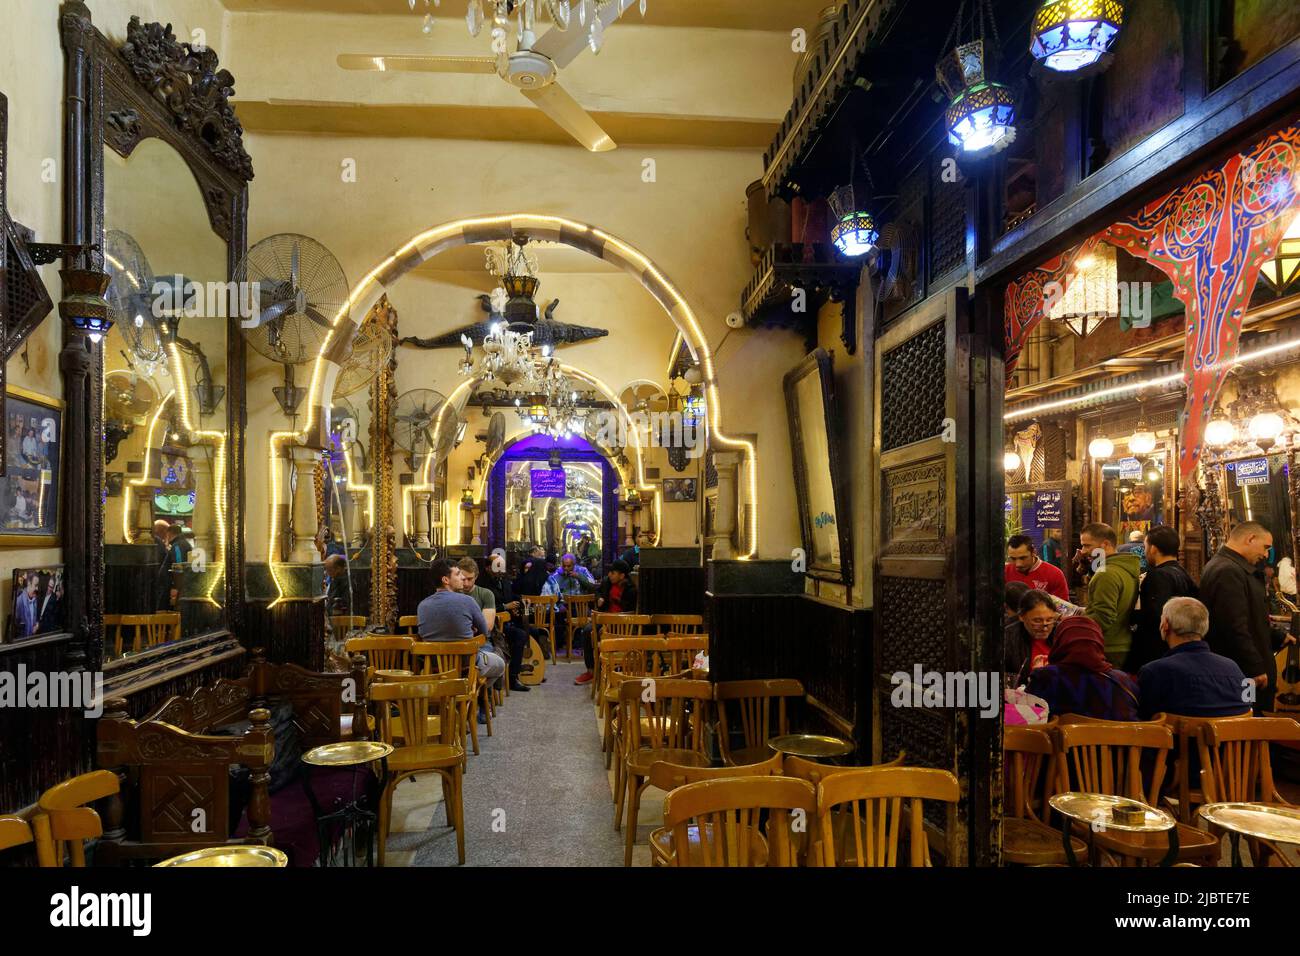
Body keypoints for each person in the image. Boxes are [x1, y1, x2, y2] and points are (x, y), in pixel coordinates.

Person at [1200, 521, 1297, 713]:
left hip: (1246, 671)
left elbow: (1248, 617)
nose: (1266, 554)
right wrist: (1254, 668)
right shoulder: (1228, 571)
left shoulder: (1233, 568)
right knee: (1248, 717)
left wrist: (1276, 636)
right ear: (1250, 538)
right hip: (1244, 676)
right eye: (1265, 547)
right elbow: (1233, 626)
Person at [416, 559, 506, 718]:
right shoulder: (467, 601)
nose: (462, 579)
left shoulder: (422, 605)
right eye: (457, 574)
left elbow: (424, 635)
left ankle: (457, 704)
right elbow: (485, 632)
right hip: (466, 666)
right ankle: (470, 697)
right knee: (499, 664)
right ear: (446, 580)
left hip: (435, 668)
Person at [1137, 597, 1250, 720]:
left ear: (1165, 625)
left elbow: (1146, 721)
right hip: (1234, 737)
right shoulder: (1234, 667)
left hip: (1179, 739)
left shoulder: (1154, 672)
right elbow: (1249, 705)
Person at [1027, 616, 1141, 721]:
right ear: (1099, 643)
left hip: (1063, 742)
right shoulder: (1123, 680)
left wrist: (1035, 675)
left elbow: (1027, 717)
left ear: (1060, 643)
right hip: (1124, 742)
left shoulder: (1046, 678)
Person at [1130, 526, 1198, 672]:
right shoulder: (1182, 572)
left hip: (1158, 652)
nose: (1145, 551)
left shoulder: (1158, 576)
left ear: (1153, 548)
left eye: (1146, 546)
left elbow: (1154, 616)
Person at [1079, 522, 1141, 665]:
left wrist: (1072, 622)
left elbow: (1103, 617)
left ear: (1105, 544)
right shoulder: (1121, 567)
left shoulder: (1106, 574)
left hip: (1107, 647)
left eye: (1087, 545)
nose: (1082, 551)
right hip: (1119, 643)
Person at [573, 559, 638, 686]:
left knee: (600, 633)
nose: (609, 575)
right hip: (605, 619)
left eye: (613, 573)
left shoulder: (631, 590)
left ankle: (607, 668)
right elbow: (597, 591)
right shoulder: (607, 582)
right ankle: (591, 671)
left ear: (622, 575)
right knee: (587, 631)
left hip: (621, 625)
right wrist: (600, 598)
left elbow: (630, 612)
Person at [482, 552, 535, 690]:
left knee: (532, 631)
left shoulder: (504, 581)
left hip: (508, 621)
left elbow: (510, 596)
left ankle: (523, 669)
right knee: (520, 636)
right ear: (488, 568)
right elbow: (486, 607)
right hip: (494, 625)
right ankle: (512, 678)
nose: (500, 569)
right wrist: (506, 606)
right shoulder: (483, 584)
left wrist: (521, 599)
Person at [543, 552, 598, 657]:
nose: (566, 568)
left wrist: (579, 577)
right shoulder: (556, 574)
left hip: (581, 605)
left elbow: (592, 586)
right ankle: (560, 644)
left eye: (569, 566)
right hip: (563, 605)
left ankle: (579, 644)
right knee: (557, 615)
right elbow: (550, 591)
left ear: (574, 564)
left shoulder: (582, 571)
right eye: (564, 566)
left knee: (584, 618)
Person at [1005, 589, 1059, 689]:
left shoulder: (1061, 634)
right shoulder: (1008, 639)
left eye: (1050, 620)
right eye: (1037, 621)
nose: (1045, 627)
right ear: (1021, 617)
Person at [1005, 533, 1070, 601]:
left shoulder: (1055, 574)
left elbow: (1064, 609)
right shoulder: (1004, 572)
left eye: (1023, 558)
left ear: (1034, 552)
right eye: (1013, 559)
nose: (1018, 564)